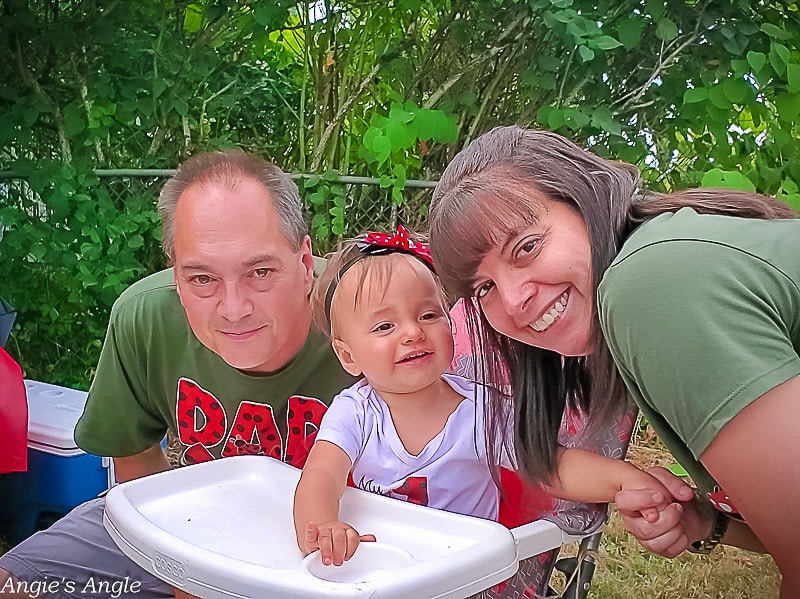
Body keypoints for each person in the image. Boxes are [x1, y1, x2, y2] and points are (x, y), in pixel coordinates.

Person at [427, 125, 799, 597]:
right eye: (485, 288)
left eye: (526, 247)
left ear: (585, 200)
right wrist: (711, 523)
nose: (515, 300)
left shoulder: (651, 287)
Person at [0, 150, 356, 599]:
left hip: (340, 537)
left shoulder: (369, 314)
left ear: (305, 263)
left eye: (260, 272)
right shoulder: (146, 317)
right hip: (192, 520)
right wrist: (183, 572)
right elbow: (138, 467)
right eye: (202, 279)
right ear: (175, 272)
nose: (234, 309)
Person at [292, 226, 672, 567]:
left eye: (428, 315)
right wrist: (323, 526)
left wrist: (624, 481)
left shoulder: (481, 411)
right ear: (347, 356)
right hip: (382, 566)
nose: (412, 333)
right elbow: (321, 475)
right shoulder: (355, 412)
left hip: (465, 573)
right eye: (385, 326)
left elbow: (550, 467)